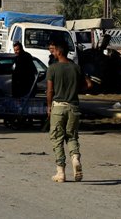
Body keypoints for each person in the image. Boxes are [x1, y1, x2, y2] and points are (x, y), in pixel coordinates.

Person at [46, 35, 91, 182]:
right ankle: (75, 158)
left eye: (53, 51)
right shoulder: (75, 67)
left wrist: (48, 106)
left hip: (58, 107)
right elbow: (89, 85)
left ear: (59, 52)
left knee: (57, 139)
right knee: (72, 136)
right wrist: (77, 89)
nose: (52, 53)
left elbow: (50, 91)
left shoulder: (52, 68)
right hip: (74, 107)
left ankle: (61, 172)